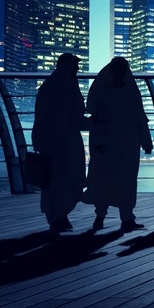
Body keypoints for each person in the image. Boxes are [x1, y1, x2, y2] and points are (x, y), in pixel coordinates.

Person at [82, 57, 153, 231]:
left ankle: (101, 216)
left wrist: (97, 142)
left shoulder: (102, 92)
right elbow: (140, 118)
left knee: (104, 178)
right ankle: (125, 218)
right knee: (126, 180)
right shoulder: (131, 92)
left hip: (109, 143)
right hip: (127, 144)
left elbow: (97, 119)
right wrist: (146, 141)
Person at [32, 53, 89, 234]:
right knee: (65, 178)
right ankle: (58, 215)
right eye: (75, 67)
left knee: (60, 179)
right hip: (62, 141)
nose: (77, 70)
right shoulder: (66, 88)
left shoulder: (50, 86)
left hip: (57, 141)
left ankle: (58, 215)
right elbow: (76, 116)